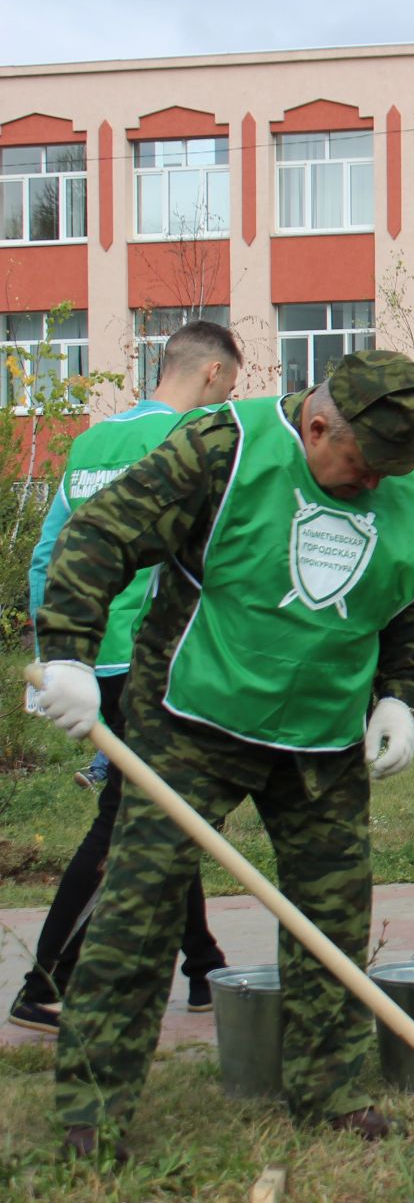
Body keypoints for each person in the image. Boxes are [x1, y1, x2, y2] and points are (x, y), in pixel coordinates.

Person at [32, 349, 414, 1155]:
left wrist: (399, 690)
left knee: (331, 916)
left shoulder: (405, 479)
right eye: (360, 468)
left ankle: (327, 1094)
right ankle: (94, 1112)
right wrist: (70, 652)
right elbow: (100, 535)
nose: (373, 486)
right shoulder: (222, 447)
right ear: (318, 425)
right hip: (192, 717)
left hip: (320, 735)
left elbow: (405, 593)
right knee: (139, 910)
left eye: (390, 473)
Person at [10, 321, 241, 1038]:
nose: (227, 399)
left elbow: (51, 553)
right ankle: (46, 982)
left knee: (165, 806)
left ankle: (204, 966)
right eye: (231, 386)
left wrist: (57, 655)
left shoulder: (90, 443)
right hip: (151, 661)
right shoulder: (190, 444)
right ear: (210, 376)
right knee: (126, 824)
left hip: (89, 658)